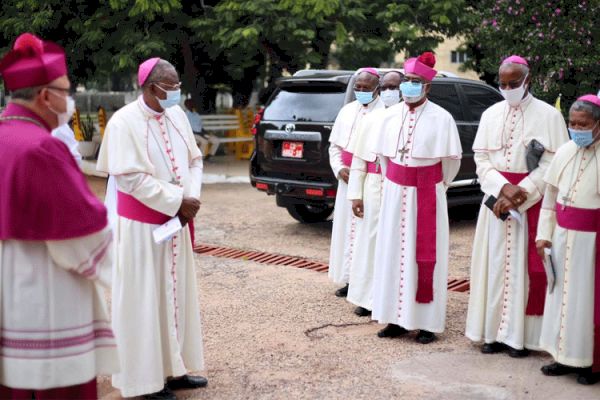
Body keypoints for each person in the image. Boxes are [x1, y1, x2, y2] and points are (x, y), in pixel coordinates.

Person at [0, 32, 118, 399]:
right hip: (45, 293)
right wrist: (117, 265)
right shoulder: (42, 148)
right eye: (65, 91)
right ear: (44, 96)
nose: (69, 100)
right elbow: (78, 236)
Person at [97, 57, 207, 400]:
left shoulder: (176, 116)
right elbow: (129, 178)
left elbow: (194, 160)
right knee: (143, 303)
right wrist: (177, 201)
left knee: (176, 297)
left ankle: (174, 369)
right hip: (142, 228)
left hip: (176, 222)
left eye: (176, 85)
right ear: (150, 87)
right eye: (170, 86)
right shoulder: (122, 122)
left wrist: (191, 199)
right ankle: (144, 381)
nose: (176, 92)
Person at [465, 55, 568, 357]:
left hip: (530, 204)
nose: (507, 88)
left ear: (528, 81)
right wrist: (502, 189)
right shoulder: (490, 114)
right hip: (496, 202)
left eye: (513, 83)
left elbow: (554, 162)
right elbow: (481, 159)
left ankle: (522, 339)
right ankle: (492, 333)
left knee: (526, 272)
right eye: (503, 83)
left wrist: (521, 192)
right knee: (494, 267)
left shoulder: (549, 116)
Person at [370, 52, 462, 344]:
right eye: (406, 81)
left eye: (415, 82)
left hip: (427, 193)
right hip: (395, 193)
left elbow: (450, 164)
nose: (408, 86)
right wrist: (396, 184)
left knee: (424, 255)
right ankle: (394, 319)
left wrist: (433, 185)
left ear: (428, 86)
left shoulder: (442, 118)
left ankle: (425, 324)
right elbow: (383, 158)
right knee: (391, 253)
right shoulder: (388, 116)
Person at [536, 93, 600, 385]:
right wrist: (543, 236)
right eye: (572, 123)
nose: (576, 129)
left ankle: (588, 362)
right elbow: (549, 198)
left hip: (592, 243)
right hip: (562, 237)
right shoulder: (564, 151)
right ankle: (562, 356)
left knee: (586, 302)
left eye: (583, 124)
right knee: (561, 298)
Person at [346, 70, 404, 316]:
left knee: (395, 246)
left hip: (397, 189)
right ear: (380, 89)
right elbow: (359, 160)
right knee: (369, 243)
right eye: (386, 87)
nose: (390, 92)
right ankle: (366, 298)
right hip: (371, 186)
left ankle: (391, 301)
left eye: (395, 87)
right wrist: (355, 195)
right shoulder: (371, 119)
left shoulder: (407, 119)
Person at [328, 67, 384, 297]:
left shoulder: (385, 112)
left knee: (366, 233)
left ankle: (367, 286)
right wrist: (340, 168)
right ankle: (349, 280)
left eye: (366, 88)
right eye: (358, 88)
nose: (361, 91)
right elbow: (335, 147)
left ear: (377, 89)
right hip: (347, 179)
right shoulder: (347, 111)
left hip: (370, 180)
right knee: (346, 231)